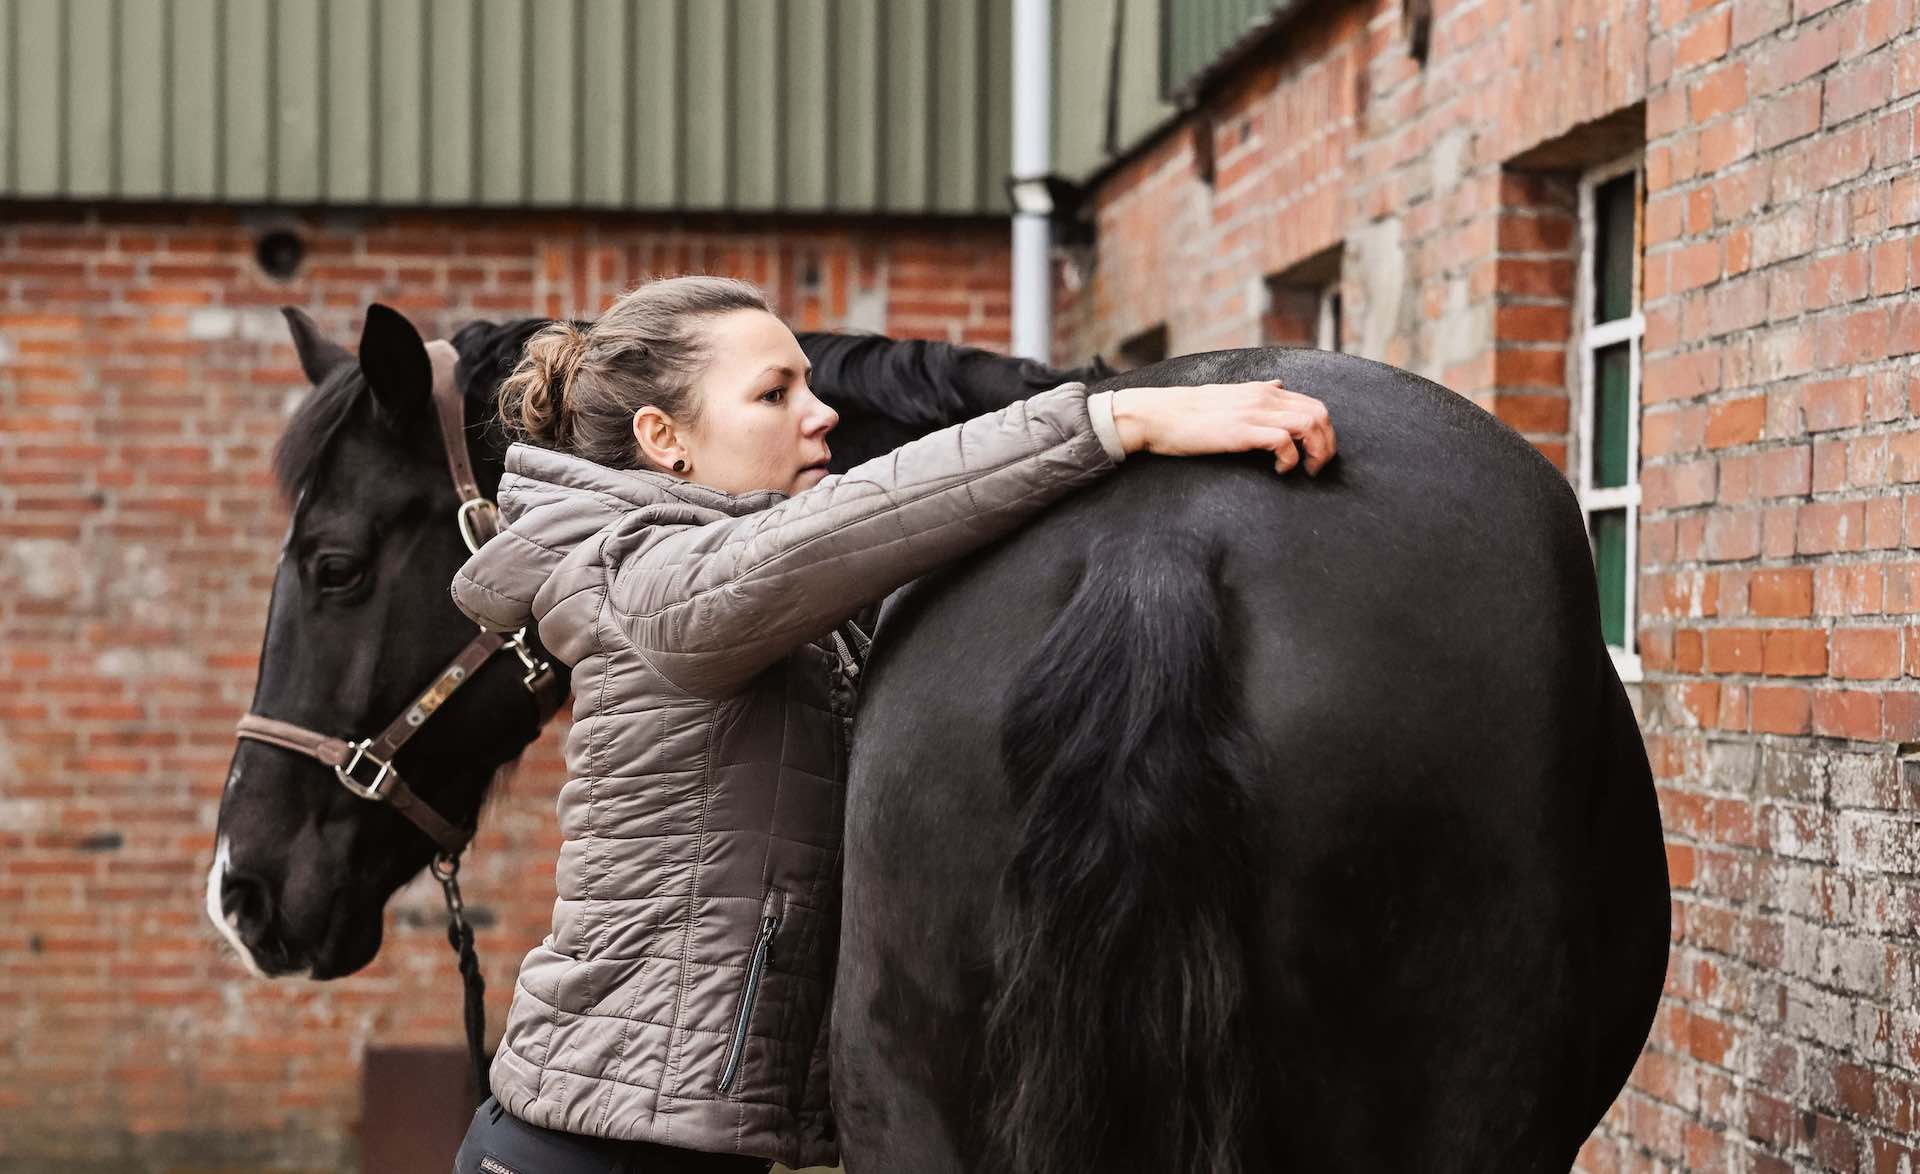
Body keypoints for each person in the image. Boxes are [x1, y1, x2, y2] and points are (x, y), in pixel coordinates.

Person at [447, 275, 1335, 1174]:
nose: (822, 412)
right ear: (663, 439)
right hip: (582, 1150)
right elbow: (861, 520)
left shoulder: (755, 593)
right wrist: (1119, 421)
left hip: (668, 1143)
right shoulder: (640, 584)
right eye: (774, 393)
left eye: (808, 382)